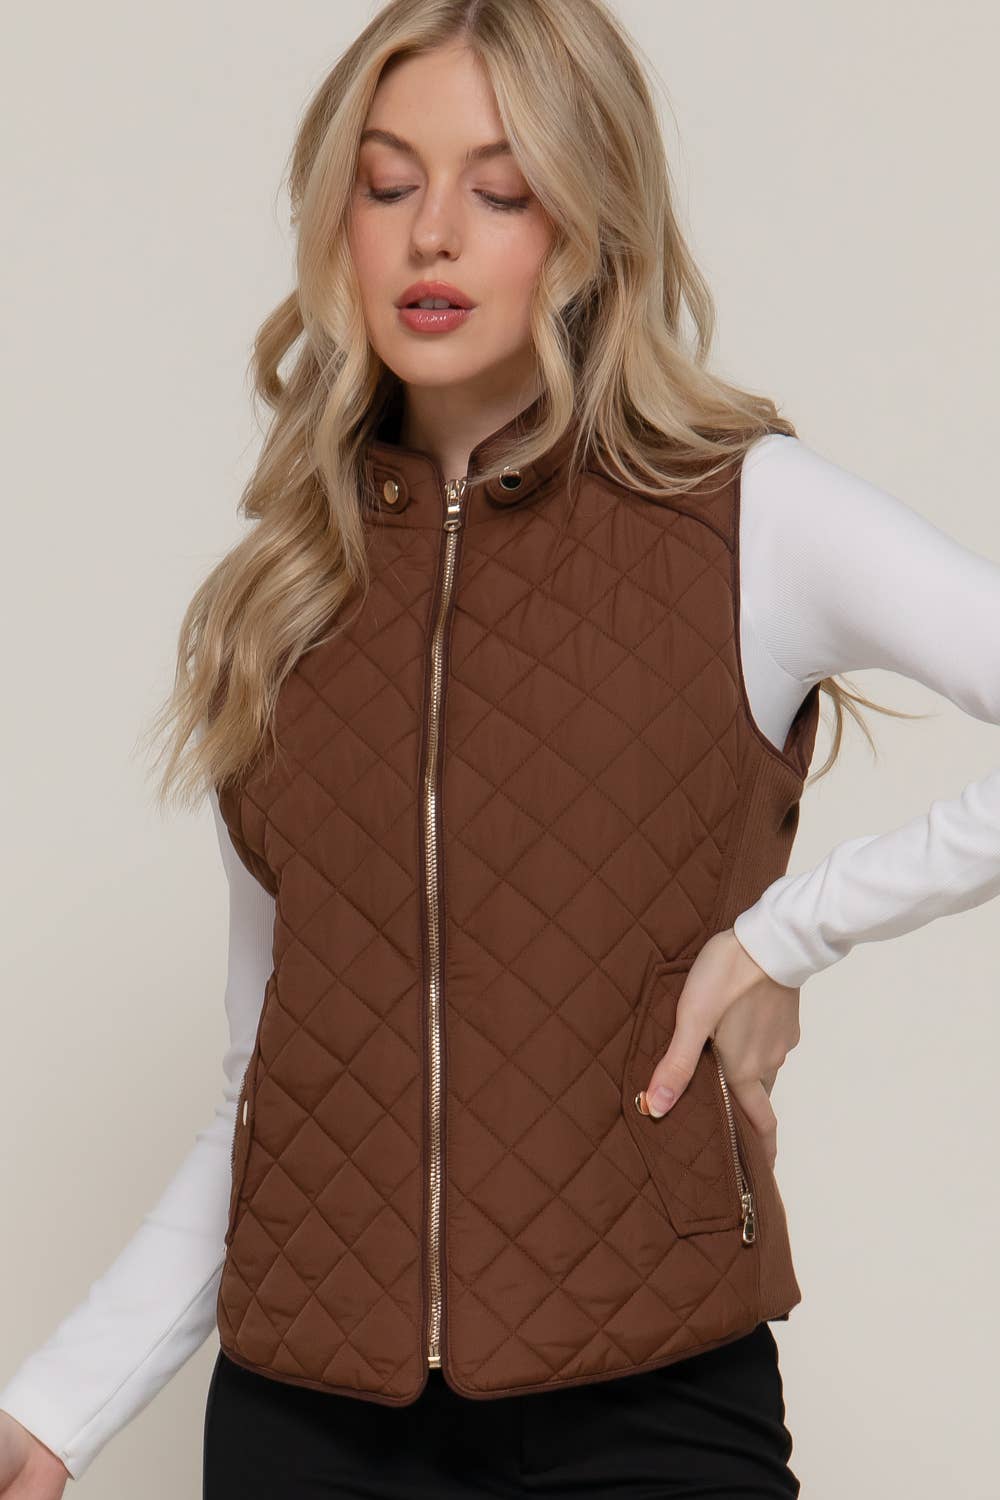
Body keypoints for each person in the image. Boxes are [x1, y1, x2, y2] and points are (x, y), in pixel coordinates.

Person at [3, 2, 999, 1496]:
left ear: (590, 226)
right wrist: (53, 1412)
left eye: (502, 188)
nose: (434, 235)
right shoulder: (286, 600)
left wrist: (786, 936)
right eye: (388, 183)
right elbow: (269, 1094)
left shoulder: (744, 516)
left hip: (646, 1411)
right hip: (302, 1431)